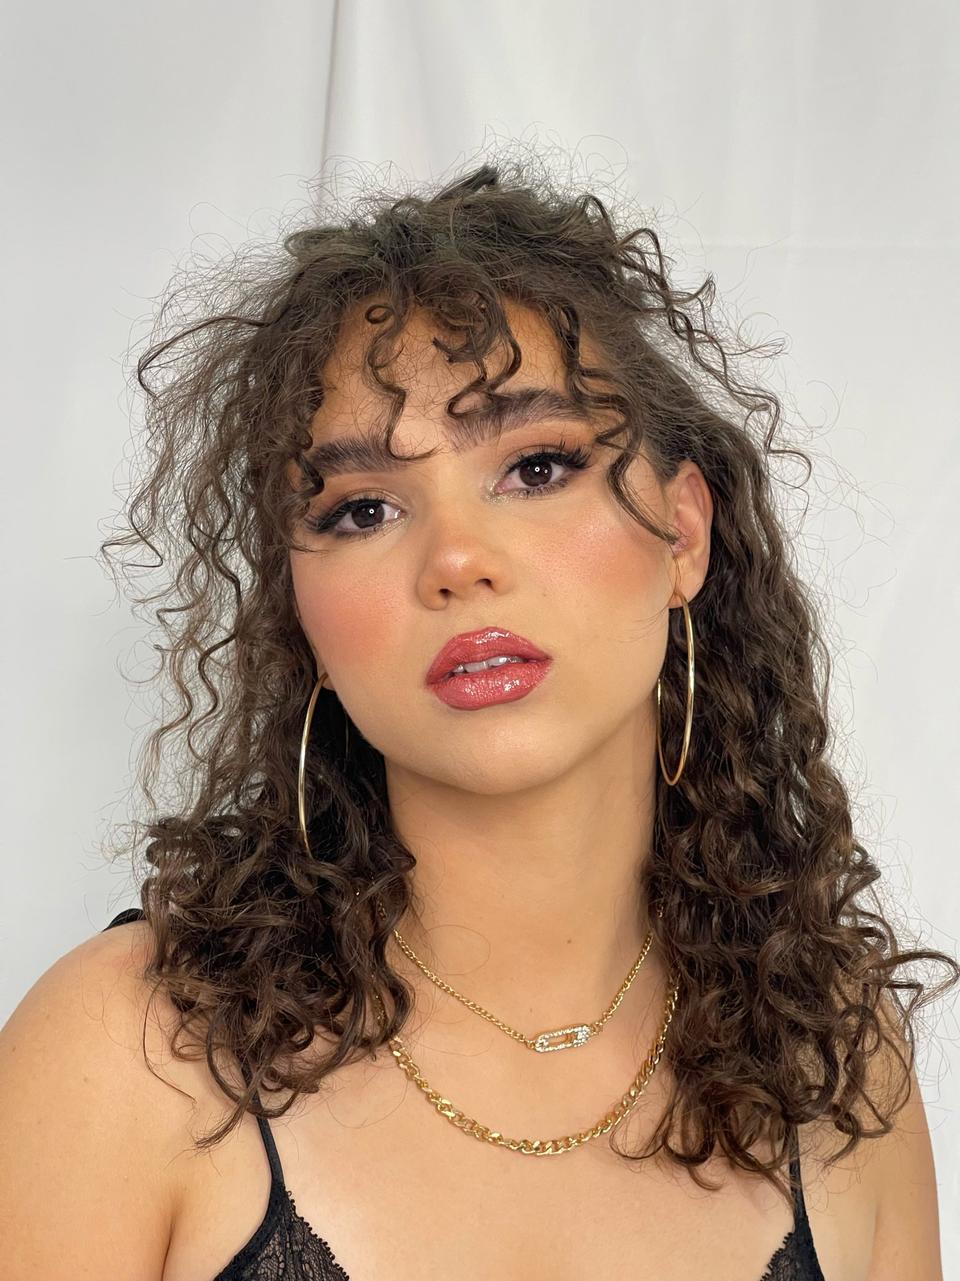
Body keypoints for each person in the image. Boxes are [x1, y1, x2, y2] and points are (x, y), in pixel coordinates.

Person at [1, 155, 956, 1281]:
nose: (457, 559)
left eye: (537, 466)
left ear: (684, 534)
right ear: (302, 616)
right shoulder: (128, 1051)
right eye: (363, 510)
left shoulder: (837, 1063)